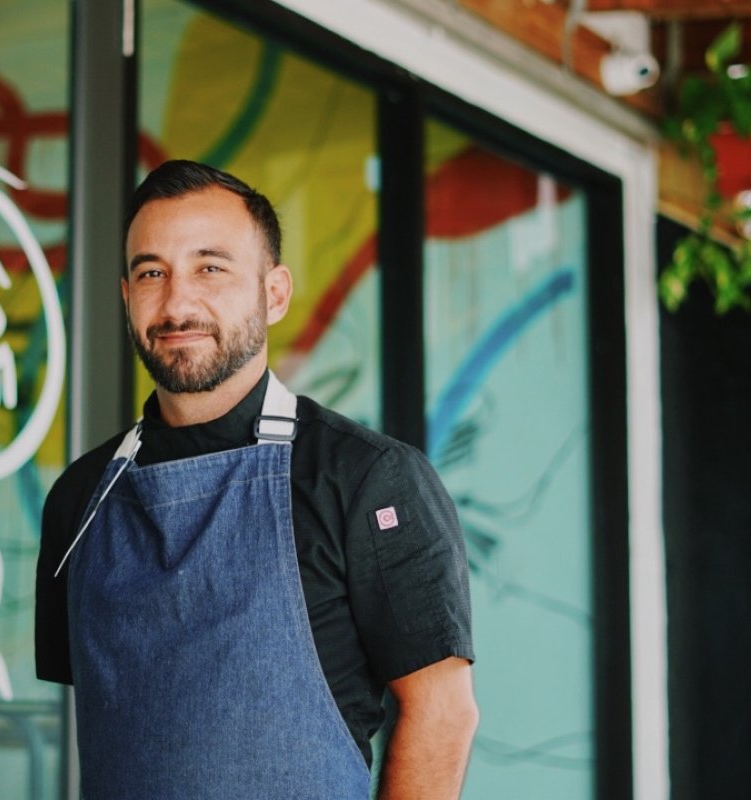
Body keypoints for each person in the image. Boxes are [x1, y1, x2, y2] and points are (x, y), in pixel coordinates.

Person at [36, 160, 477, 799]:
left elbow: (444, 714)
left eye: (210, 268)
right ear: (127, 296)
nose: (177, 301)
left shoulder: (366, 479)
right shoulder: (78, 499)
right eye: (151, 272)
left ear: (274, 293)